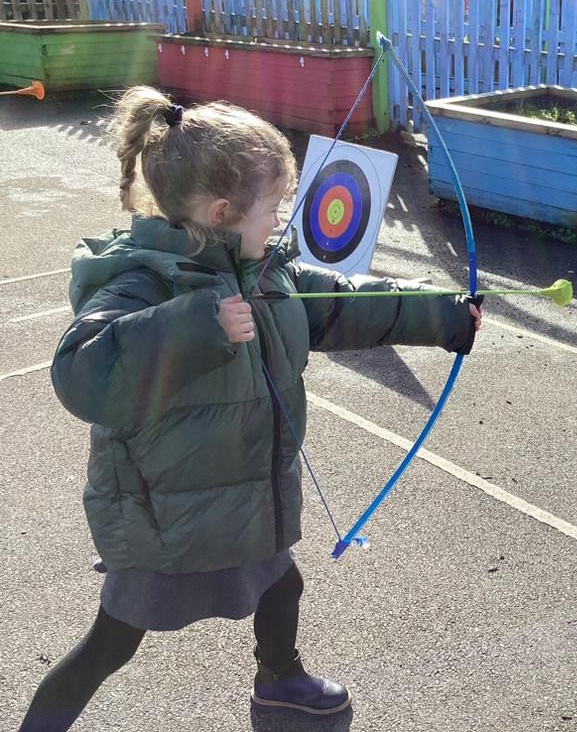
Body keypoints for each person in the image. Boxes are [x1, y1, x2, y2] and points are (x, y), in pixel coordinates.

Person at [18, 86, 482, 731]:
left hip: (244, 501)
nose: (281, 222)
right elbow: (82, 372)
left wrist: (445, 315)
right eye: (273, 208)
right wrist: (194, 326)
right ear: (221, 211)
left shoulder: (264, 270)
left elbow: (345, 304)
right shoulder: (139, 280)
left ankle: (282, 682)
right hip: (165, 518)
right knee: (112, 642)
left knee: (281, 587)